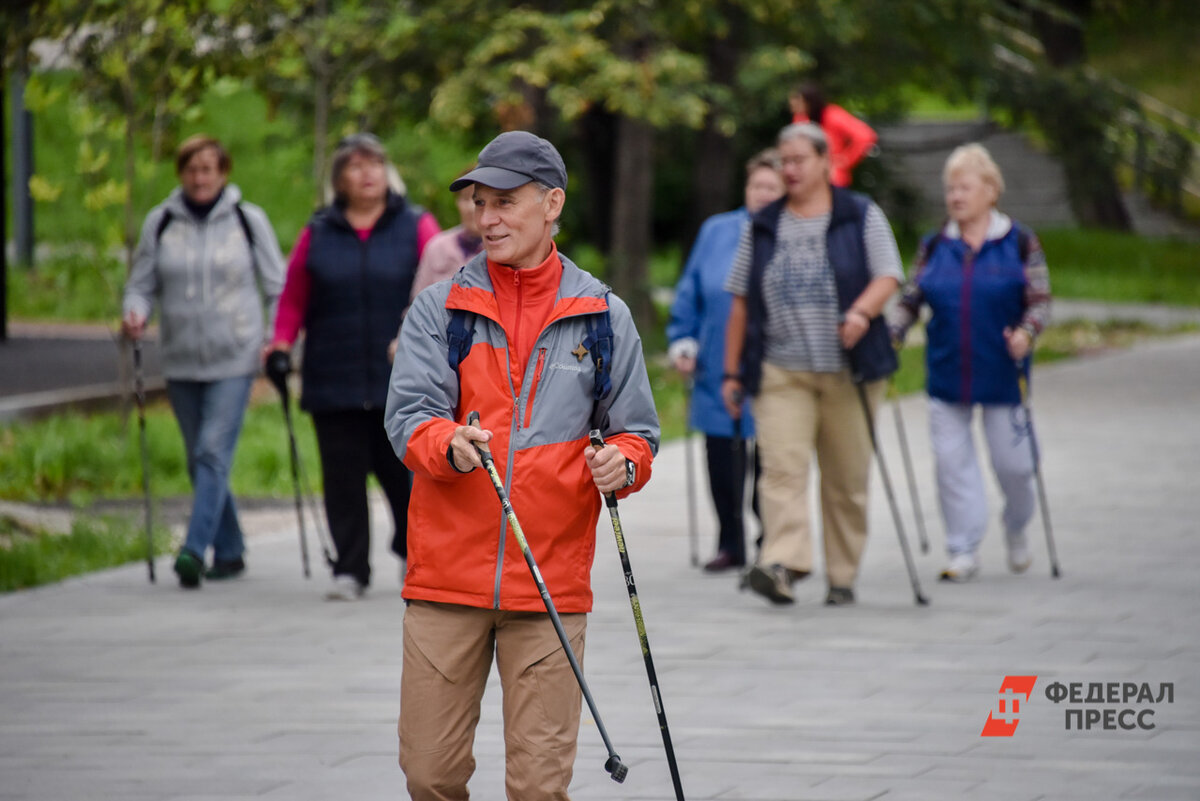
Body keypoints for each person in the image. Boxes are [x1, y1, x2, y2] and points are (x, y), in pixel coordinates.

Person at [384, 130, 659, 800]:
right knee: (430, 775)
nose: (488, 217)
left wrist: (620, 463)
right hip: (447, 581)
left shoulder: (603, 316)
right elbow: (408, 418)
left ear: (552, 203)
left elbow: (638, 434)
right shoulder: (439, 308)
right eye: (480, 202)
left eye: (505, 201)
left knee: (540, 787)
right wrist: (448, 444)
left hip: (550, 587)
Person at [722, 122, 904, 607]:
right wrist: (731, 372)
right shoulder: (763, 225)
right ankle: (785, 562)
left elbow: (890, 275)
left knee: (846, 479)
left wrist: (863, 311)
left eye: (800, 159)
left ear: (825, 161)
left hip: (850, 371)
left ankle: (842, 575)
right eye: (784, 161)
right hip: (781, 371)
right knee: (781, 470)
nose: (791, 169)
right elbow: (740, 301)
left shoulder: (858, 214)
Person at [267, 133, 440, 600]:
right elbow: (294, 296)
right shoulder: (319, 230)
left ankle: (413, 551)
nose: (367, 173)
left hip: (399, 379)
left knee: (404, 475)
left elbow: (440, 286)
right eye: (356, 166)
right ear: (339, 178)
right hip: (333, 374)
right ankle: (349, 567)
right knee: (341, 479)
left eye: (375, 164)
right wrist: (280, 343)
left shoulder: (417, 225)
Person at [122, 134, 285, 589]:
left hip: (235, 356)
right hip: (180, 359)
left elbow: (277, 286)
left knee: (212, 451)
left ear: (223, 173)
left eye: (208, 169)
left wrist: (274, 339)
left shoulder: (247, 221)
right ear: (182, 174)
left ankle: (194, 548)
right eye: (192, 169)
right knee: (200, 459)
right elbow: (140, 284)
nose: (200, 177)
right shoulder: (161, 223)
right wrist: (134, 312)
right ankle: (230, 550)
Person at [889, 143, 1051, 582]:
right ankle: (963, 548)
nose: (955, 197)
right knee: (950, 464)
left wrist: (1027, 333)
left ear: (990, 191)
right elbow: (911, 298)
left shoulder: (1018, 241)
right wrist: (894, 332)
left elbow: (1039, 301)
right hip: (947, 371)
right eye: (950, 189)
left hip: (1002, 372)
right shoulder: (935, 244)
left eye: (964, 187)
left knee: (1015, 466)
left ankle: (1016, 525)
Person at [666, 149, 784, 572]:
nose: (763, 194)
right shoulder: (717, 230)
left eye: (773, 187)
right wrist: (683, 340)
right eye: (757, 186)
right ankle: (730, 543)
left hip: (774, 363)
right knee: (722, 458)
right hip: (717, 361)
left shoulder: (791, 230)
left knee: (772, 458)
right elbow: (691, 289)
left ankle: (774, 538)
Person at [788, 81, 877, 188]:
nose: (793, 106)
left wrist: (847, 159)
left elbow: (865, 136)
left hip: (832, 178)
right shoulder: (800, 119)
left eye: (798, 102)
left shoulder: (832, 115)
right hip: (806, 177)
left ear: (809, 102)